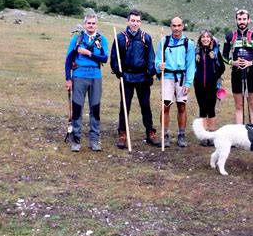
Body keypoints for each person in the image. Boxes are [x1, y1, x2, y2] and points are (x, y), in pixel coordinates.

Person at [110, 9, 160, 149]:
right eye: (133, 21)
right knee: (125, 106)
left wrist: (150, 73)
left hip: (142, 77)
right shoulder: (120, 37)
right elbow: (114, 59)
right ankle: (122, 134)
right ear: (128, 21)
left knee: (146, 106)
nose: (135, 23)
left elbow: (151, 57)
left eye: (137, 21)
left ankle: (150, 132)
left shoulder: (146, 38)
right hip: (126, 76)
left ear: (140, 22)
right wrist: (118, 72)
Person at [65, 13, 108, 152]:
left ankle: (94, 141)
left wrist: (88, 53)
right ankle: (76, 140)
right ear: (85, 24)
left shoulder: (102, 40)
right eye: (88, 23)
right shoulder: (77, 39)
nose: (91, 25)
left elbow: (104, 59)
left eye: (93, 23)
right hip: (79, 75)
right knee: (77, 108)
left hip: (96, 75)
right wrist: (68, 78)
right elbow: (68, 59)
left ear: (97, 24)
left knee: (95, 108)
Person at [155, 17, 196, 147]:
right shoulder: (164, 41)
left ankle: (181, 135)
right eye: (174, 26)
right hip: (167, 76)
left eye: (179, 25)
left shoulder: (188, 43)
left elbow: (191, 64)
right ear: (171, 26)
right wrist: (158, 66)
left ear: (182, 26)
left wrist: (188, 83)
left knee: (182, 106)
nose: (176, 28)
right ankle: (165, 135)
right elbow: (157, 60)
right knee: (165, 105)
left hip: (182, 78)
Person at [222, 9, 253, 125]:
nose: (242, 22)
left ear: (248, 20)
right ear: (236, 20)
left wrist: (252, 63)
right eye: (239, 19)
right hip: (236, 73)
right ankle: (240, 135)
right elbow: (224, 55)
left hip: (252, 73)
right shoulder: (230, 36)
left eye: (244, 19)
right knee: (239, 105)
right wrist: (232, 62)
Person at [193, 30, 225, 146]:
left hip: (212, 85)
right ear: (200, 39)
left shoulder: (215, 52)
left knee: (211, 110)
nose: (205, 39)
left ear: (211, 39)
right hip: (199, 84)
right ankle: (203, 135)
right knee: (202, 109)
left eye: (207, 37)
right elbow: (192, 66)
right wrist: (196, 78)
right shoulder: (196, 52)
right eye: (203, 37)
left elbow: (222, 68)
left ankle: (211, 135)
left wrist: (214, 77)